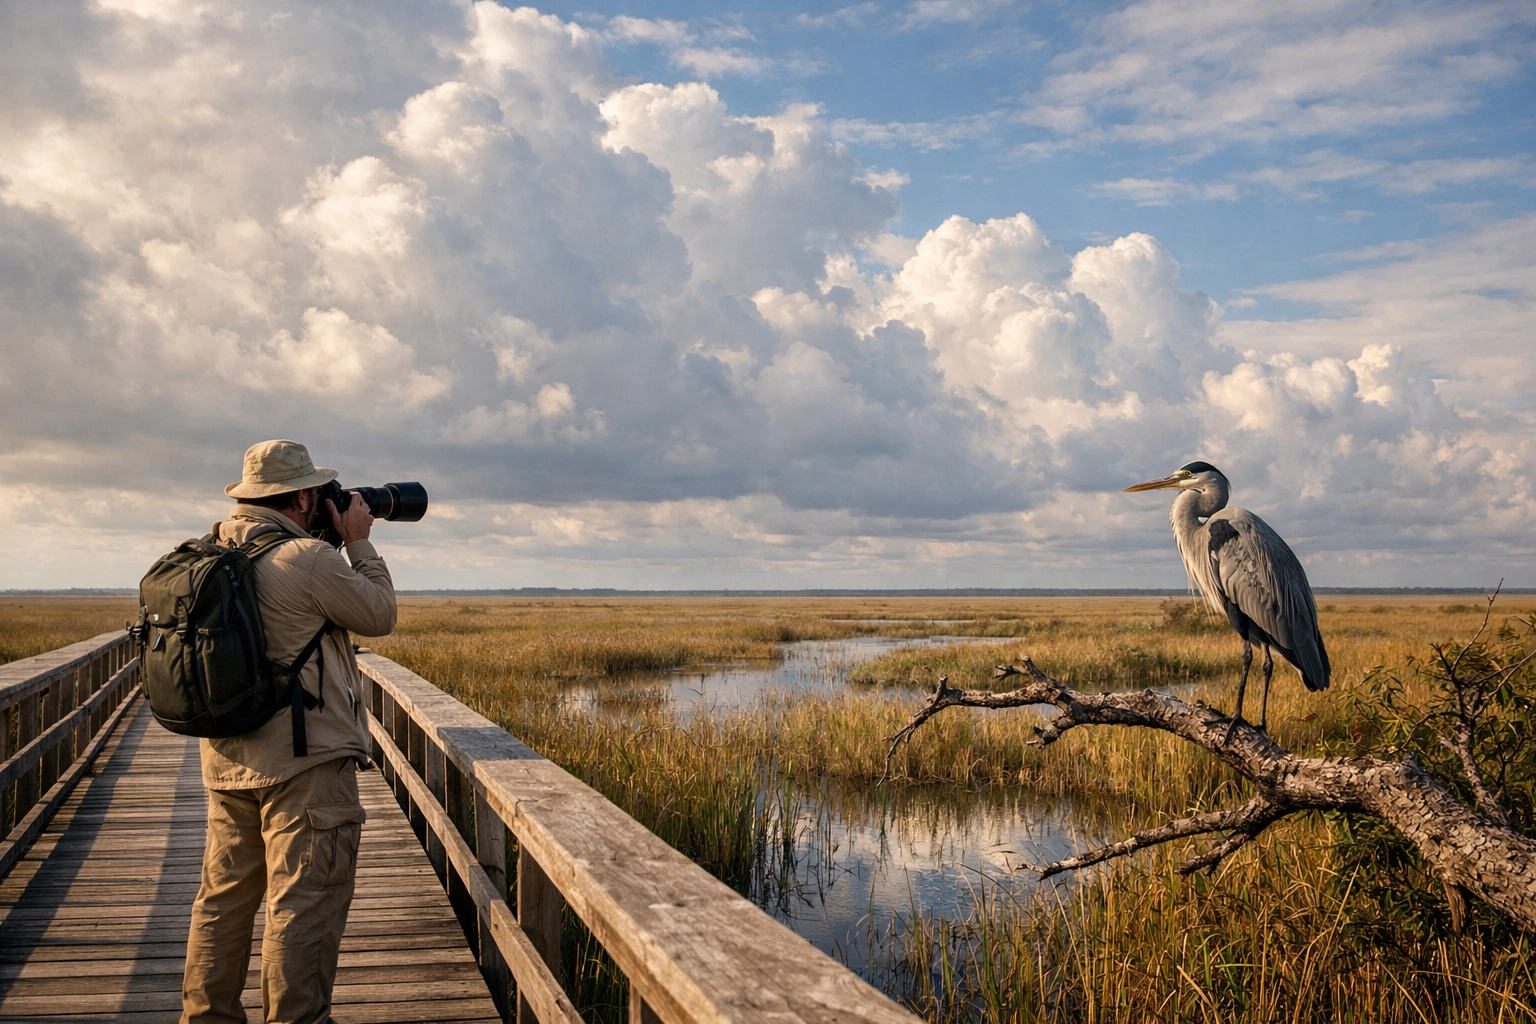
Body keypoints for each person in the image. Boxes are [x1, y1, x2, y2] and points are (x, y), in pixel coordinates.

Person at [181, 439, 397, 1024]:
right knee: (302, 907)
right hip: (304, 768)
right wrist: (358, 542)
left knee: (222, 905)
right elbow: (379, 615)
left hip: (227, 759)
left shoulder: (208, 549)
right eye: (319, 494)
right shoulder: (306, 560)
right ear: (303, 496)